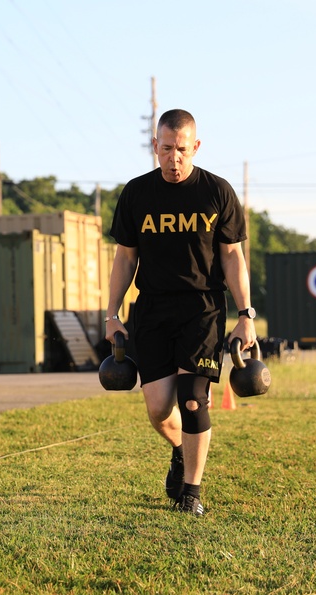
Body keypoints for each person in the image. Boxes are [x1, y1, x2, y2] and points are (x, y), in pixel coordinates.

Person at [105, 109, 255, 516]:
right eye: (166, 148)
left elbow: (232, 257)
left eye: (182, 150)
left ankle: (192, 492)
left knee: (193, 401)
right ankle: (179, 451)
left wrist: (246, 314)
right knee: (158, 409)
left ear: (196, 147)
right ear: (155, 146)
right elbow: (124, 260)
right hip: (151, 309)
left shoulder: (217, 192)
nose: (174, 158)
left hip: (201, 308)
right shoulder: (137, 194)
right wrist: (111, 314)